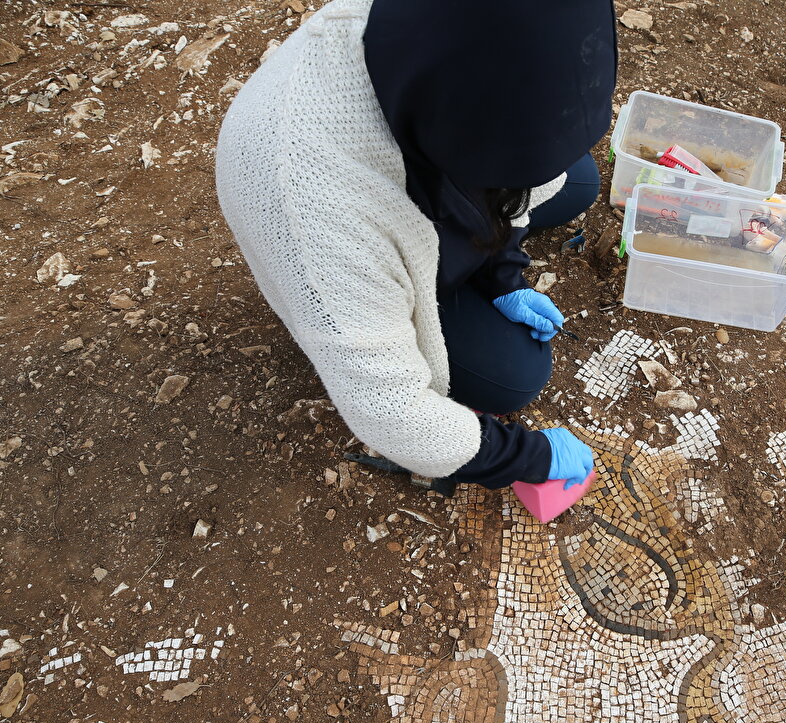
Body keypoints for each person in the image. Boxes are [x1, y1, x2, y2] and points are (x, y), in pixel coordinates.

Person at [215, 0, 617, 489]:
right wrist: (526, 457)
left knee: (576, 178)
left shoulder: (444, 40)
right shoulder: (322, 211)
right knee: (515, 374)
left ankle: (481, 243)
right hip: (350, 231)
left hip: (431, 150)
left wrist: (502, 275)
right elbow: (393, 413)